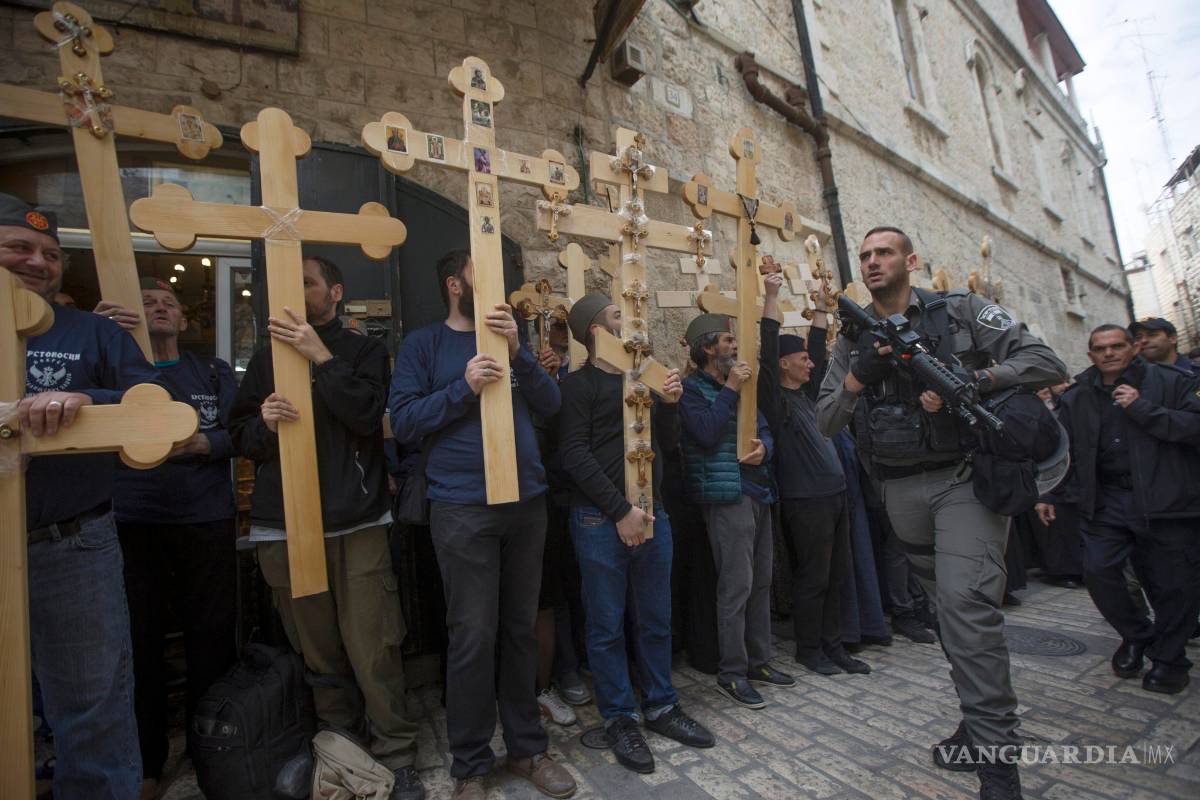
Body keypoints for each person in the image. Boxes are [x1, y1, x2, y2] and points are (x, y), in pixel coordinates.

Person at [816, 227, 1067, 800]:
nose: (873, 262)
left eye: (884, 252)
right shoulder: (851, 337)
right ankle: (977, 725)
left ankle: (999, 767)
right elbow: (826, 420)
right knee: (946, 613)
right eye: (866, 256)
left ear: (911, 260)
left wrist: (972, 379)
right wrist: (860, 375)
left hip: (964, 481)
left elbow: (1044, 361)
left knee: (965, 607)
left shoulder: (962, 313)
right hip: (899, 491)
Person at [229, 255, 424, 800]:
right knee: (318, 653)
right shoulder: (265, 357)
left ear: (334, 292)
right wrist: (262, 424)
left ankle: (397, 749)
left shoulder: (364, 350)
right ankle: (344, 750)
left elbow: (366, 416)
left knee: (374, 645)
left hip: (354, 521)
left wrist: (321, 358)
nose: (296, 292)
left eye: (307, 283)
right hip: (285, 526)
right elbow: (239, 436)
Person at [389, 250, 575, 800]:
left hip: (526, 504)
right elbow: (402, 422)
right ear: (454, 284)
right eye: (480, 274)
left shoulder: (511, 341)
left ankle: (527, 750)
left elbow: (551, 405)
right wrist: (462, 387)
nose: (495, 285)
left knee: (520, 630)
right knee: (472, 635)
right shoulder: (423, 345)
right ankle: (470, 765)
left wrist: (521, 356)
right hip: (462, 507)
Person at [3, 192, 160, 799]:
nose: (38, 262)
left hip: (71, 543)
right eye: (19, 247)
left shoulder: (91, 332)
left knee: (92, 706)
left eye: (50, 253)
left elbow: (152, 403)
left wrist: (88, 401)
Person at [557, 293, 715, 774]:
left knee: (655, 617)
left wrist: (669, 403)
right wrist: (620, 509)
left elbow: (665, 446)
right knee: (605, 625)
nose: (630, 323)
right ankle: (620, 717)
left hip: (653, 514)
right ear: (594, 332)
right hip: (599, 519)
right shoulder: (578, 386)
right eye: (617, 316)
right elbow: (575, 455)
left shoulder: (644, 379)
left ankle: (662, 705)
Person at [107, 277, 239, 798]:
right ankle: (146, 759)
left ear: (184, 321)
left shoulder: (212, 371)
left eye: (170, 304)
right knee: (137, 640)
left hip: (205, 519)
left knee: (211, 636)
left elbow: (242, 430)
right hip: (132, 521)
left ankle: (211, 751)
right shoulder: (114, 370)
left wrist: (201, 444)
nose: (160, 309)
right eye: (148, 303)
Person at [1036, 325, 1200, 695]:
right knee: (1099, 571)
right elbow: (1067, 452)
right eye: (1100, 348)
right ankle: (1138, 635)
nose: (1109, 353)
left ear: (1133, 347)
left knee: (1173, 585)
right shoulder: (1078, 397)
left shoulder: (1172, 381)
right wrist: (1049, 493)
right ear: (1091, 354)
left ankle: (1170, 661)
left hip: (1165, 500)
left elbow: (1194, 426)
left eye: (1116, 346)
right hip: (1107, 501)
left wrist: (1143, 409)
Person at [678, 312, 794, 709]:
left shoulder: (741, 386)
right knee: (735, 587)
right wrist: (730, 388)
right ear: (708, 348)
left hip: (758, 491)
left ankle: (759, 661)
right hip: (726, 497)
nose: (734, 346)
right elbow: (706, 434)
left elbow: (762, 429)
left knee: (761, 582)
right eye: (728, 341)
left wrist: (766, 448)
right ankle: (731, 672)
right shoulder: (692, 390)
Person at [759, 274, 869, 675]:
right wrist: (771, 296)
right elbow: (767, 348)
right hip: (806, 502)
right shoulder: (775, 399)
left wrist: (822, 309)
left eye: (808, 358)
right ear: (783, 363)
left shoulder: (808, 395)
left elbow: (822, 356)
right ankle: (809, 650)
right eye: (800, 358)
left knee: (837, 574)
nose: (809, 362)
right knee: (813, 578)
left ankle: (834, 645)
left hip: (835, 495)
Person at [1129, 317, 1195, 373]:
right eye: (1138, 337)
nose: (1143, 340)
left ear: (1173, 338)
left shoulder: (1194, 372)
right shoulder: (1134, 377)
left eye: (1152, 335)